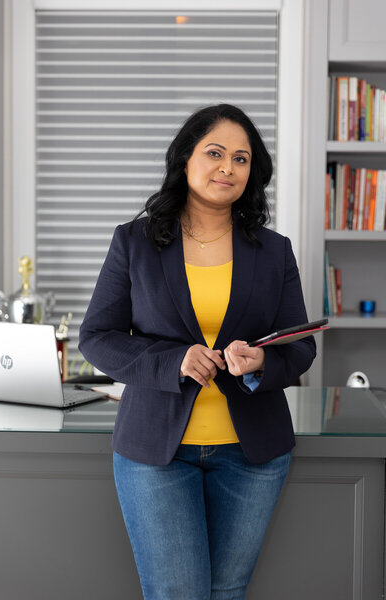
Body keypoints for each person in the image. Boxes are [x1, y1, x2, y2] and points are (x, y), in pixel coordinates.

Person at [78, 103, 316, 600]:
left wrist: (263, 362)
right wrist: (172, 360)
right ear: (185, 158)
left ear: (253, 173)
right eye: (214, 153)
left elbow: (300, 347)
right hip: (155, 454)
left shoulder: (274, 251)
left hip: (253, 454)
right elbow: (97, 337)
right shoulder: (134, 243)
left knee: (228, 591)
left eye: (242, 158)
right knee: (177, 593)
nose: (228, 167)